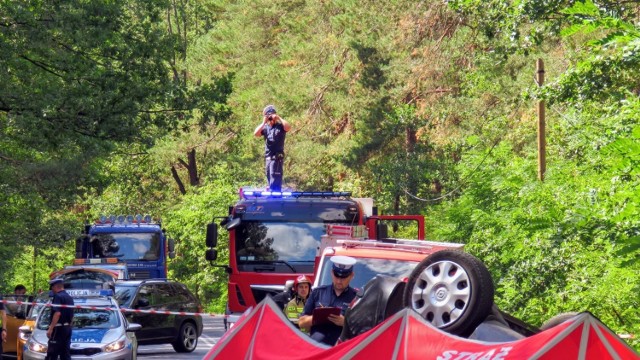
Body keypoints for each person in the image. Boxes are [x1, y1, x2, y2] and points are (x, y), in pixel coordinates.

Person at [298, 256, 357, 345]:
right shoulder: (317, 293)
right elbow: (301, 323)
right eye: (336, 276)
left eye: (343, 277)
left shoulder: (356, 298)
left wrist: (345, 322)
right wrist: (318, 317)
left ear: (351, 276)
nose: (339, 281)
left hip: (341, 351)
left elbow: (362, 329)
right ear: (332, 273)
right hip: (316, 348)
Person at [253, 104, 291, 192]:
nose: (271, 118)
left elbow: (288, 127)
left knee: (275, 179)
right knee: (270, 178)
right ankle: (272, 194)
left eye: (272, 115)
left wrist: (278, 118)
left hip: (277, 158)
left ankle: (274, 198)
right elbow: (256, 133)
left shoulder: (280, 126)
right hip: (268, 158)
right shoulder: (265, 128)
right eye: (269, 116)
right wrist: (263, 122)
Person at [45, 278, 74, 360]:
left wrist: (50, 328)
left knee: (52, 353)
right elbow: (72, 314)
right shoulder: (69, 297)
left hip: (58, 329)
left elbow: (57, 313)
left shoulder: (57, 296)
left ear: (55, 287)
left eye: (52, 288)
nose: (52, 290)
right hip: (67, 328)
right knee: (65, 354)